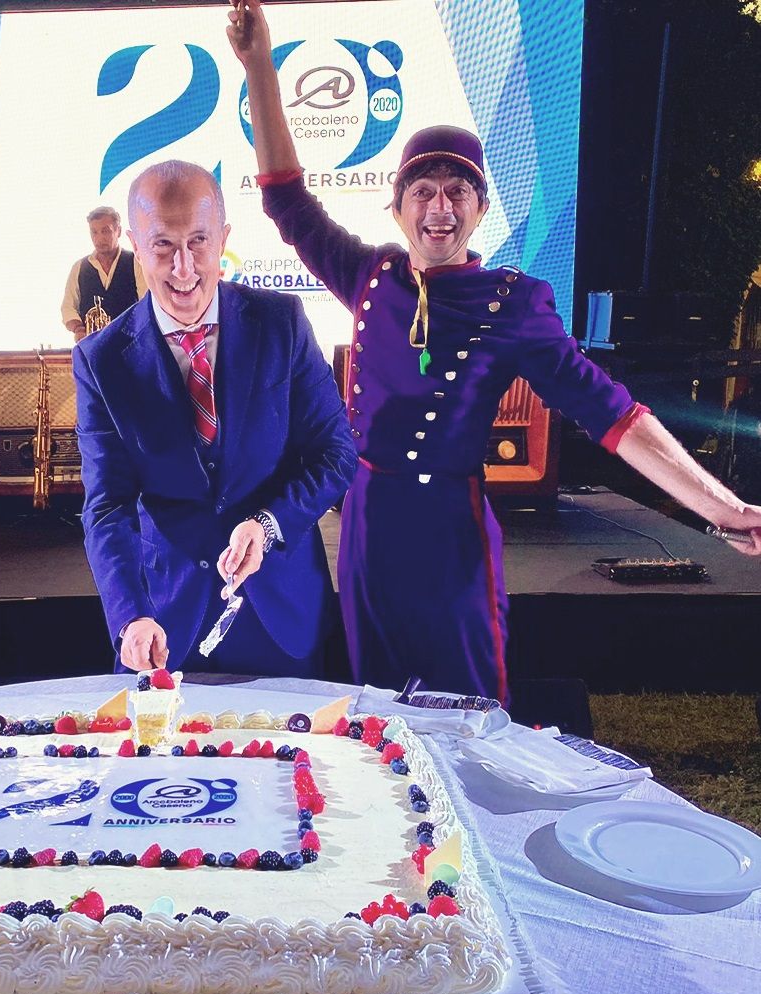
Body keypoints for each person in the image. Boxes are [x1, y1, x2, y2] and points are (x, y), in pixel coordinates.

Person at [228, 0, 761, 701]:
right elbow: (287, 200)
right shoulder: (371, 274)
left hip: (449, 535)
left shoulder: (513, 303)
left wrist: (720, 506)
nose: (439, 207)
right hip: (366, 527)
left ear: (481, 208)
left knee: (466, 703)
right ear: (398, 206)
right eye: (423, 191)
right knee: (377, 702)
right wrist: (259, 65)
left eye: (458, 192)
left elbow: (613, 414)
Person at [73, 160, 356, 676]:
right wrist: (129, 615)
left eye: (199, 242)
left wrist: (268, 525)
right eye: (163, 245)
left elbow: (335, 455)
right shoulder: (101, 360)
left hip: (280, 616)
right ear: (136, 245)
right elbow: (108, 506)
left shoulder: (283, 323)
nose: (184, 268)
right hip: (164, 624)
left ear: (223, 238)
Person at [61, 206, 147, 342]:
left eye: (105, 231)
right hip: (92, 347)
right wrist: (78, 328)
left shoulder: (136, 262)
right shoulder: (79, 267)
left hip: (130, 344)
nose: (99, 238)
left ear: (118, 231)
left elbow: (146, 303)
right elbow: (68, 307)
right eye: (94, 232)